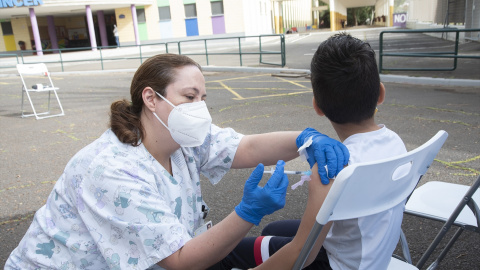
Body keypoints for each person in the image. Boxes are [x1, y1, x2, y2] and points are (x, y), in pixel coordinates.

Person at [5, 53, 349, 270]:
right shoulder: (111, 169)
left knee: (294, 254)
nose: (200, 108)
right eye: (189, 97)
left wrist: (305, 140)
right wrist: (248, 213)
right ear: (151, 99)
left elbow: (245, 147)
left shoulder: (182, 138)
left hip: (175, 252)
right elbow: (181, 261)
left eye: (202, 97)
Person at [210, 33, 408, 270]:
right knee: (273, 230)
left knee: (224, 256)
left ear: (317, 107)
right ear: (381, 93)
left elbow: (302, 253)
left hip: (336, 263)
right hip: (372, 252)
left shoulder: (331, 170)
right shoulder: (396, 143)